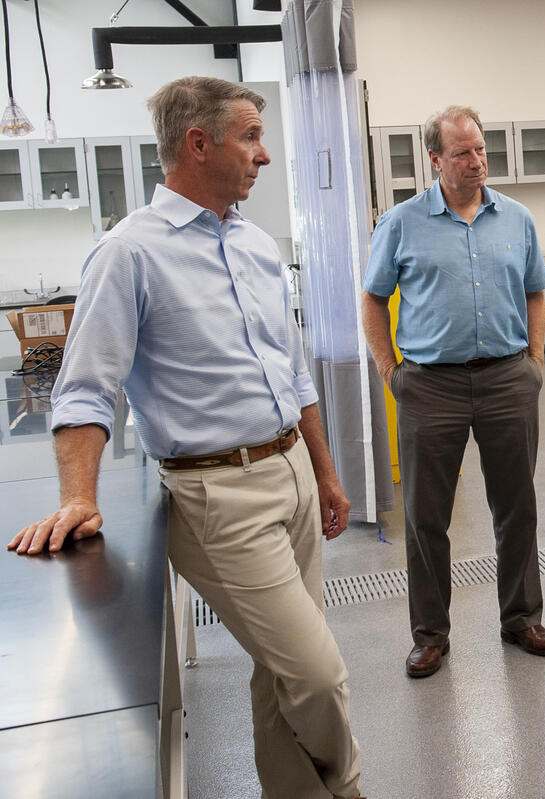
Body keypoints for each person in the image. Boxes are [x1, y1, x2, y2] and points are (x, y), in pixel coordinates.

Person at [8, 77, 364, 799]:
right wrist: (78, 495)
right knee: (316, 673)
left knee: (279, 669)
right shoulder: (129, 253)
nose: (264, 156)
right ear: (198, 146)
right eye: (251, 138)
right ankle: (350, 787)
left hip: (290, 471)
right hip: (218, 495)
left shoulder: (256, 245)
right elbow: (84, 387)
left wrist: (323, 473)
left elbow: (293, 376)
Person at [361, 105, 545, 679]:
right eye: (462, 153)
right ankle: (430, 634)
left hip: (506, 379)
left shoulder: (516, 218)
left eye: (480, 150)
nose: (477, 162)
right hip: (429, 386)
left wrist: (535, 363)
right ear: (435, 159)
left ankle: (521, 618)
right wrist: (389, 371)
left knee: (517, 507)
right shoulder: (400, 222)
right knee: (426, 517)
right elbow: (372, 299)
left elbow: (535, 292)